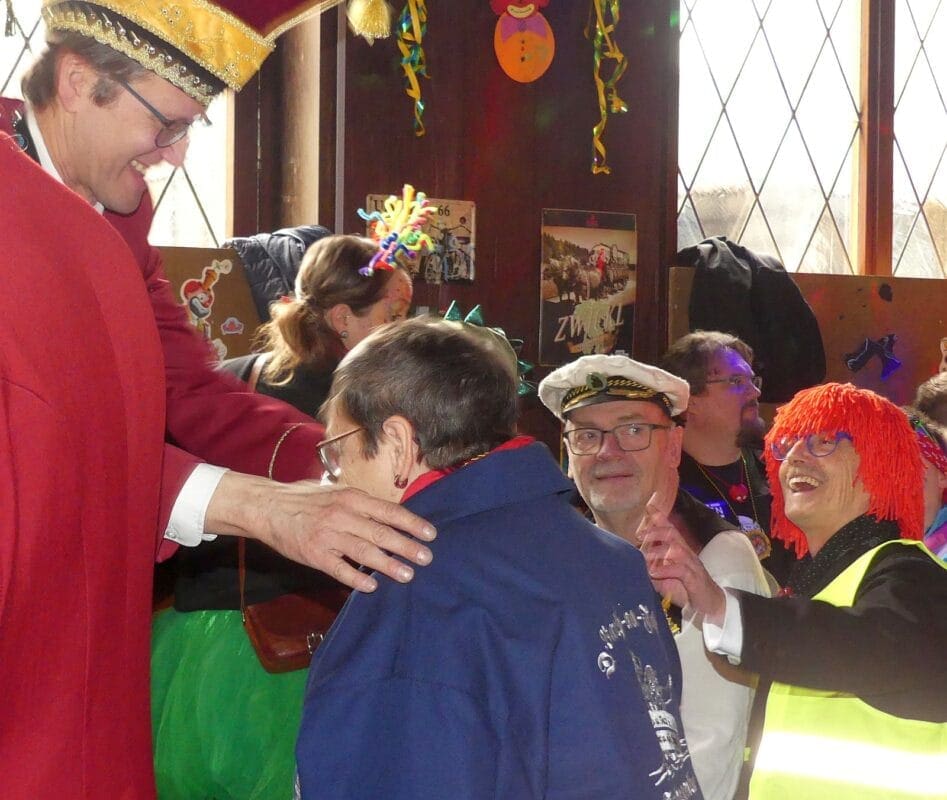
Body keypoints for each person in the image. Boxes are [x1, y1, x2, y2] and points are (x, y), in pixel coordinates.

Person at [0, 2, 432, 796]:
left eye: (191, 126)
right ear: (78, 80)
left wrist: (340, 466)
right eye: (166, 123)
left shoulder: (116, 215)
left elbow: (189, 387)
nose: (176, 154)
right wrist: (251, 506)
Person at [295, 318, 702, 800]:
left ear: (399, 445)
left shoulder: (416, 592)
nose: (333, 479)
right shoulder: (613, 559)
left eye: (337, 451)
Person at [152, 234, 413, 800]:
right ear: (342, 319)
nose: (402, 329)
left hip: (191, 639)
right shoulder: (365, 404)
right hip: (285, 655)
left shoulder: (227, 377)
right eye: (392, 315)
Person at [644, 382, 947, 800]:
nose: (796, 457)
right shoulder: (816, 582)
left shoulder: (914, 574)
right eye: (787, 444)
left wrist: (720, 606)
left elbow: (867, 645)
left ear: (880, 461)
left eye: (824, 441)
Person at [538, 355, 771, 800]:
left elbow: (710, 748)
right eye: (587, 435)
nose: (608, 452)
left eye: (632, 430)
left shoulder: (714, 557)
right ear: (567, 455)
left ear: (674, 446)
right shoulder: (560, 558)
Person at [661, 331, 795, 585]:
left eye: (753, 380)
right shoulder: (663, 488)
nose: (755, 392)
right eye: (736, 381)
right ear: (689, 400)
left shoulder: (781, 469)